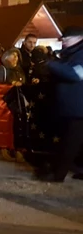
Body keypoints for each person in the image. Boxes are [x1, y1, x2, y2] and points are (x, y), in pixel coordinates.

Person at [39, 27, 83, 182]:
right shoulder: (70, 54)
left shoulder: (80, 54)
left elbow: (76, 74)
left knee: (70, 143)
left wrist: (51, 65)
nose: (63, 42)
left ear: (78, 38)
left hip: (78, 108)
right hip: (72, 107)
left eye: (66, 39)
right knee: (75, 142)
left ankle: (58, 174)